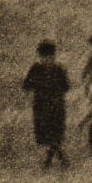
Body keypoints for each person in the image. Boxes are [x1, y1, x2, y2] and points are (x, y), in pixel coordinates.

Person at [21, 40, 71, 168]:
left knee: (52, 135)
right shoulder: (55, 69)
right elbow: (26, 86)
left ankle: (53, 161)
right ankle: (58, 159)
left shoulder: (39, 69)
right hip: (47, 106)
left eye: (49, 57)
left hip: (50, 106)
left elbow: (27, 86)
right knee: (52, 135)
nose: (47, 60)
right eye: (45, 57)